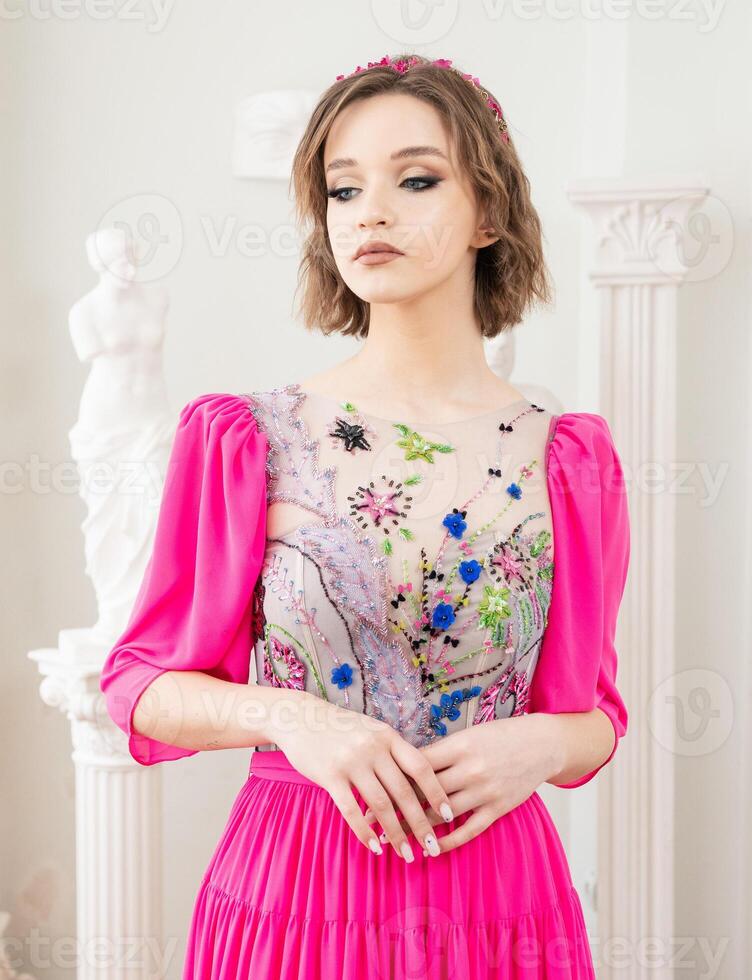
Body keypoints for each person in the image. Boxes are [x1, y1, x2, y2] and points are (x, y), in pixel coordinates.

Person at [100, 53, 631, 979]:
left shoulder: (569, 459)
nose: (370, 213)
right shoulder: (245, 439)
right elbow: (138, 685)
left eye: (415, 180)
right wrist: (298, 721)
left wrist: (542, 742)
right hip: (294, 891)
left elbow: (596, 715)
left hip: (499, 898)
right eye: (343, 190)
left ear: (491, 214)